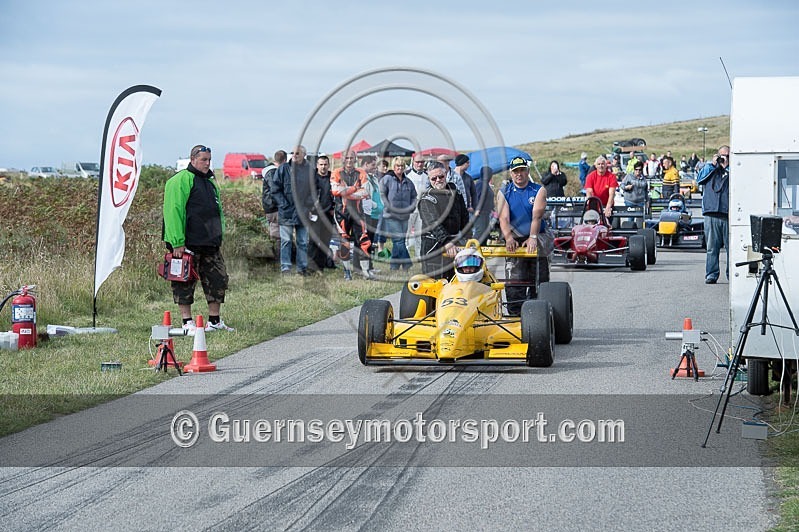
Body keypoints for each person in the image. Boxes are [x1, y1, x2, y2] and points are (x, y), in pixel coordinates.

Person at [163, 144, 233, 334]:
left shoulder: (210, 183)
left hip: (210, 243)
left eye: (209, 160)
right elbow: (173, 212)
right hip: (187, 244)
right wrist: (176, 242)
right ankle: (187, 322)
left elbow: (217, 212)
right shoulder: (180, 180)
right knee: (184, 282)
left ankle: (214, 321)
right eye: (204, 160)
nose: (207, 163)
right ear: (193, 159)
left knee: (218, 280)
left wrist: (219, 235)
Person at [498, 156, 551, 316]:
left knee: (539, 279)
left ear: (527, 171)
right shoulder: (504, 192)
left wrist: (533, 238)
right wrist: (508, 238)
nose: (519, 174)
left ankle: (539, 313)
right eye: (515, 171)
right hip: (514, 236)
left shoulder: (538, 190)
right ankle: (515, 314)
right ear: (511, 173)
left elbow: (537, 216)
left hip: (537, 233)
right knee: (515, 278)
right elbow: (504, 218)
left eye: (522, 170)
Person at [417, 161, 469, 279]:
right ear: (429, 179)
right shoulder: (427, 199)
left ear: (446, 174)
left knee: (459, 281)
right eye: (433, 178)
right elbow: (433, 224)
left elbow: (464, 216)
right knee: (435, 285)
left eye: (441, 176)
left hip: (455, 243)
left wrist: (469, 237)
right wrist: (447, 242)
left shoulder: (455, 192)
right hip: (433, 246)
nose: (438, 180)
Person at [272, 145, 316, 276]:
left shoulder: (309, 170)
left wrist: (307, 206)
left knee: (302, 241)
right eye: (293, 153)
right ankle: (285, 268)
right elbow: (275, 189)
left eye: (298, 153)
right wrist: (283, 204)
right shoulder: (283, 169)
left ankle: (302, 268)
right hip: (287, 212)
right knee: (286, 241)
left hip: (303, 212)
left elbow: (314, 190)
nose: (295, 155)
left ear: (304, 155)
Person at [330, 150, 371, 280]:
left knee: (364, 240)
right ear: (343, 159)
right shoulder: (336, 172)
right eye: (347, 158)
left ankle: (366, 272)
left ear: (355, 159)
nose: (349, 160)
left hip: (358, 212)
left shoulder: (361, 173)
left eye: (351, 158)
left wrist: (347, 193)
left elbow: (365, 192)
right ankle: (347, 272)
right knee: (345, 242)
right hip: (342, 213)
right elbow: (335, 190)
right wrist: (354, 189)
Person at [697, 145, 730, 284]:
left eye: (728, 156)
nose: (725, 159)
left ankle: (732, 275)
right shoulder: (710, 169)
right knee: (711, 248)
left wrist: (728, 166)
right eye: (723, 156)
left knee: (731, 248)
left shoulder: (734, 170)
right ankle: (711, 274)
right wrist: (713, 164)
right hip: (711, 213)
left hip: (728, 214)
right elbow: (700, 179)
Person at [380, 157, 417, 271]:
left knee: (399, 241)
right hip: (391, 216)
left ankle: (394, 266)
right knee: (398, 240)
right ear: (393, 167)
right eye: (397, 166)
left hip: (404, 216)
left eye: (401, 166)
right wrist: (389, 206)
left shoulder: (408, 182)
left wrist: (411, 208)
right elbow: (382, 194)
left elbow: (414, 197)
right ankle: (407, 263)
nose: (400, 168)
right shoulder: (387, 179)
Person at [307, 155, 335, 274]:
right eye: (321, 164)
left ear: (328, 165)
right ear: (317, 165)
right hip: (315, 214)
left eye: (325, 164)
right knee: (313, 241)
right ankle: (310, 267)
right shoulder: (312, 178)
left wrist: (335, 207)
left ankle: (320, 267)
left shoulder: (333, 177)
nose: (323, 167)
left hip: (329, 213)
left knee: (325, 242)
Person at [261, 150, 286, 254]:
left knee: (277, 235)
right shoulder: (273, 172)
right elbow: (275, 190)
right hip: (274, 208)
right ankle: (277, 260)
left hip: (271, 207)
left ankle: (277, 259)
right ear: (284, 160)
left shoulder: (270, 171)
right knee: (277, 236)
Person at [405, 153, 429, 259]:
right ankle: (405, 255)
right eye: (417, 162)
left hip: (422, 208)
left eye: (422, 162)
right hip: (410, 208)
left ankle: (419, 255)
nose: (420, 164)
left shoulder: (427, 176)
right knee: (407, 232)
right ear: (413, 162)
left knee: (420, 233)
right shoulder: (408, 176)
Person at [472, 166, 496, 244]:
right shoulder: (480, 184)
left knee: (485, 233)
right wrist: (477, 209)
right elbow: (476, 197)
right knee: (480, 231)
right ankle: (472, 249)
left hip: (487, 213)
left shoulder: (486, 184)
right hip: (480, 213)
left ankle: (482, 250)